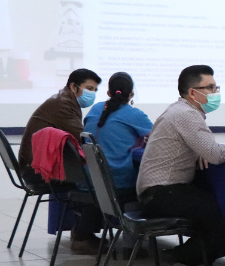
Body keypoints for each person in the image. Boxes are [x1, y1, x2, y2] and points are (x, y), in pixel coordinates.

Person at [136, 65, 225, 266]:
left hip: (158, 191)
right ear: (192, 92)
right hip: (162, 193)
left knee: (216, 209)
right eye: (210, 88)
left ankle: (191, 263)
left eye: (216, 87)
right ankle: (180, 257)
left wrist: (197, 151)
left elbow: (206, 150)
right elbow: (215, 154)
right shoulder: (187, 115)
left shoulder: (178, 110)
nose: (215, 93)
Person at [19, 68, 105, 254]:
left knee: (89, 174)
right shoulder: (63, 105)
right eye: (89, 88)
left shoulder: (65, 100)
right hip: (37, 171)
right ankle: (82, 237)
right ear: (73, 87)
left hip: (36, 166)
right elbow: (83, 138)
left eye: (95, 90)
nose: (92, 94)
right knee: (95, 181)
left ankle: (81, 231)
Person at [83, 72, 152, 203]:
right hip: (117, 182)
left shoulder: (95, 109)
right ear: (132, 94)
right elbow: (160, 138)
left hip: (89, 179)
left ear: (108, 93)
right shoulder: (134, 114)